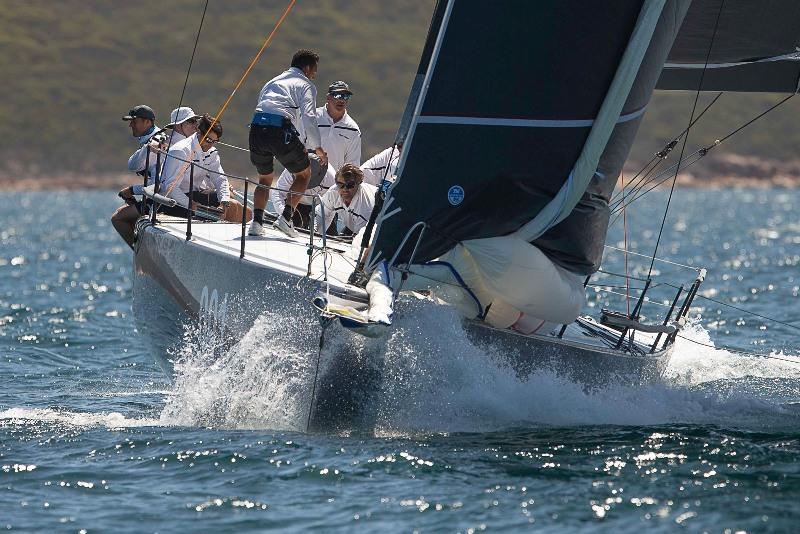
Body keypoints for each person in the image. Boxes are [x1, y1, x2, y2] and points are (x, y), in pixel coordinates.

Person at [248, 49, 328, 238]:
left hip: (256, 129)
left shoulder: (272, 81)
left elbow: (263, 106)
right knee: (304, 173)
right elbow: (309, 116)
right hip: (279, 129)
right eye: (314, 70)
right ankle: (286, 218)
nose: (314, 75)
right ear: (308, 68)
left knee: (265, 179)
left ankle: (256, 223)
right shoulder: (305, 84)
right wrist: (317, 147)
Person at [156, 114, 243, 222]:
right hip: (171, 201)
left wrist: (223, 203)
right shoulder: (181, 151)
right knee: (233, 207)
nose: (210, 145)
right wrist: (193, 206)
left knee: (239, 208)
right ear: (198, 132)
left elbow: (220, 178)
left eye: (215, 141)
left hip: (194, 195)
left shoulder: (211, 153)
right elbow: (170, 188)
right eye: (208, 139)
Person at [112, 104, 161, 248]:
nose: (130, 125)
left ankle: (141, 253)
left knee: (118, 219)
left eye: (134, 121)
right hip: (157, 194)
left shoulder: (156, 141)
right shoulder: (151, 140)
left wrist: (132, 190)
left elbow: (133, 165)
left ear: (148, 122)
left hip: (161, 198)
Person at [269, 155, 335, 230]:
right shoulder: (292, 170)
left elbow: (330, 209)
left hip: (321, 205)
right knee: (290, 224)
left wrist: (317, 231)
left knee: (328, 232)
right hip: (294, 203)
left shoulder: (332, 180)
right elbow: (278, 193)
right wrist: (284, 212)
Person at [314, 163, 376, 236]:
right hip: (353, 223)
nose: (345, 189)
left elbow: (359, 239)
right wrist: (314, 232)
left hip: (373, 228)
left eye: (350, 185)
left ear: (358, 184)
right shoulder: (333, 192)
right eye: (340, 184)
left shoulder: (365, 207)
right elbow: (321, 214)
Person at [317, 81, 361, 171]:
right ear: (328, 97)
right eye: (338, 96)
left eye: (345, 96)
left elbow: (352, 165)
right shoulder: (311, 118)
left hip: (333, 182)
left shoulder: (353, 129)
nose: (342, 100)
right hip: (307, 179)